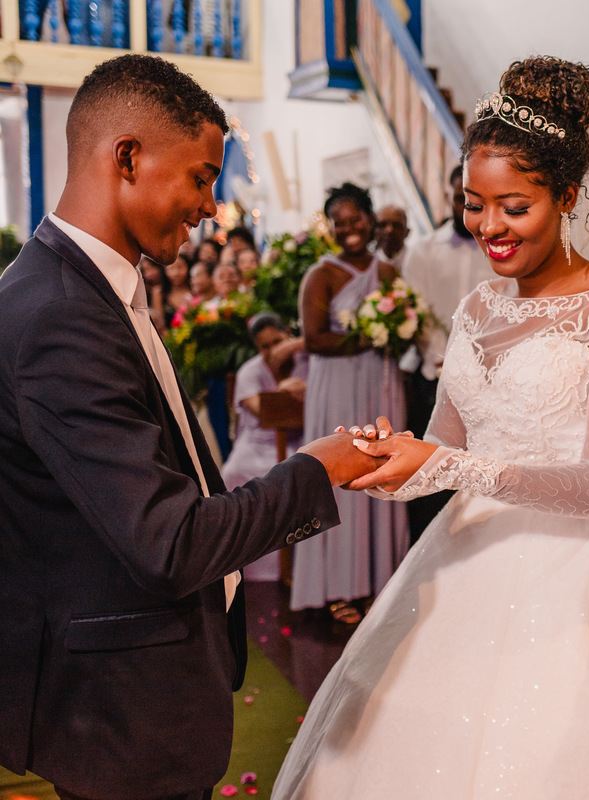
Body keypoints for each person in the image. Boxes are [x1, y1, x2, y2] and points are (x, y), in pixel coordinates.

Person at [272, 55, 589, 800]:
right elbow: (445, 446)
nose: (488, 227)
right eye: (474, 204)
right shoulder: (476, 309)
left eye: (514, 206)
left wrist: (450, 469)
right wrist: (387, 465)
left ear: (567, 196)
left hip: (570, 584)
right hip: (459, 563)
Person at [0, 53, 378, 800]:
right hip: (115, 707)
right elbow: (170, 543)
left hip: (128, 692)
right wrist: (319, 468)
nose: (212, 206)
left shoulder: (90, 289)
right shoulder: (59, 317)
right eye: (202, 177)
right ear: (129, 158)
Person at [293, 182, 409, 623]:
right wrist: (368, 334)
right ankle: (339, 585)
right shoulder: (320, 275)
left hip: (379, 383)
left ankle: (383, 581)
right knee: (341, 473)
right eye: (339, 223)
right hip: (338, 388)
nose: (349, 229)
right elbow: (314, 339)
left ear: (369, 218)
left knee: (384, 469)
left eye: (355, 219)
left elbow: (405, 325)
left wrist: (396, 332)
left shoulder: (389, 272)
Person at [397, 166, 496, 537]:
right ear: (452, 198)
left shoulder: (499, 247)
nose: (467, 207)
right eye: (463, 200)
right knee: (434, 471)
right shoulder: (423, 250)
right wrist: (444, 358)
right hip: (432, 374)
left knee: (476, 471)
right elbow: (416, 312)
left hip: (489, 381)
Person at [222, 312, 309, 582]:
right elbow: (264, 412)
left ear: (288, 336)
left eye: (277, 341)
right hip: (257, 442)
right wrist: (285, 391)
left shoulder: (307, 363)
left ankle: (302, 567)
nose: (273, 350)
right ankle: (249, 567)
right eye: (265, 346)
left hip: (299, 438)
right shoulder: (250, 371)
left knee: (308, 471)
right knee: (233, 472)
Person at [163, 249, 194, 325]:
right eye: (172, 268)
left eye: (180, 267)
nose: (176, 273)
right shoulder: (160, 294)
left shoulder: (195, 291)